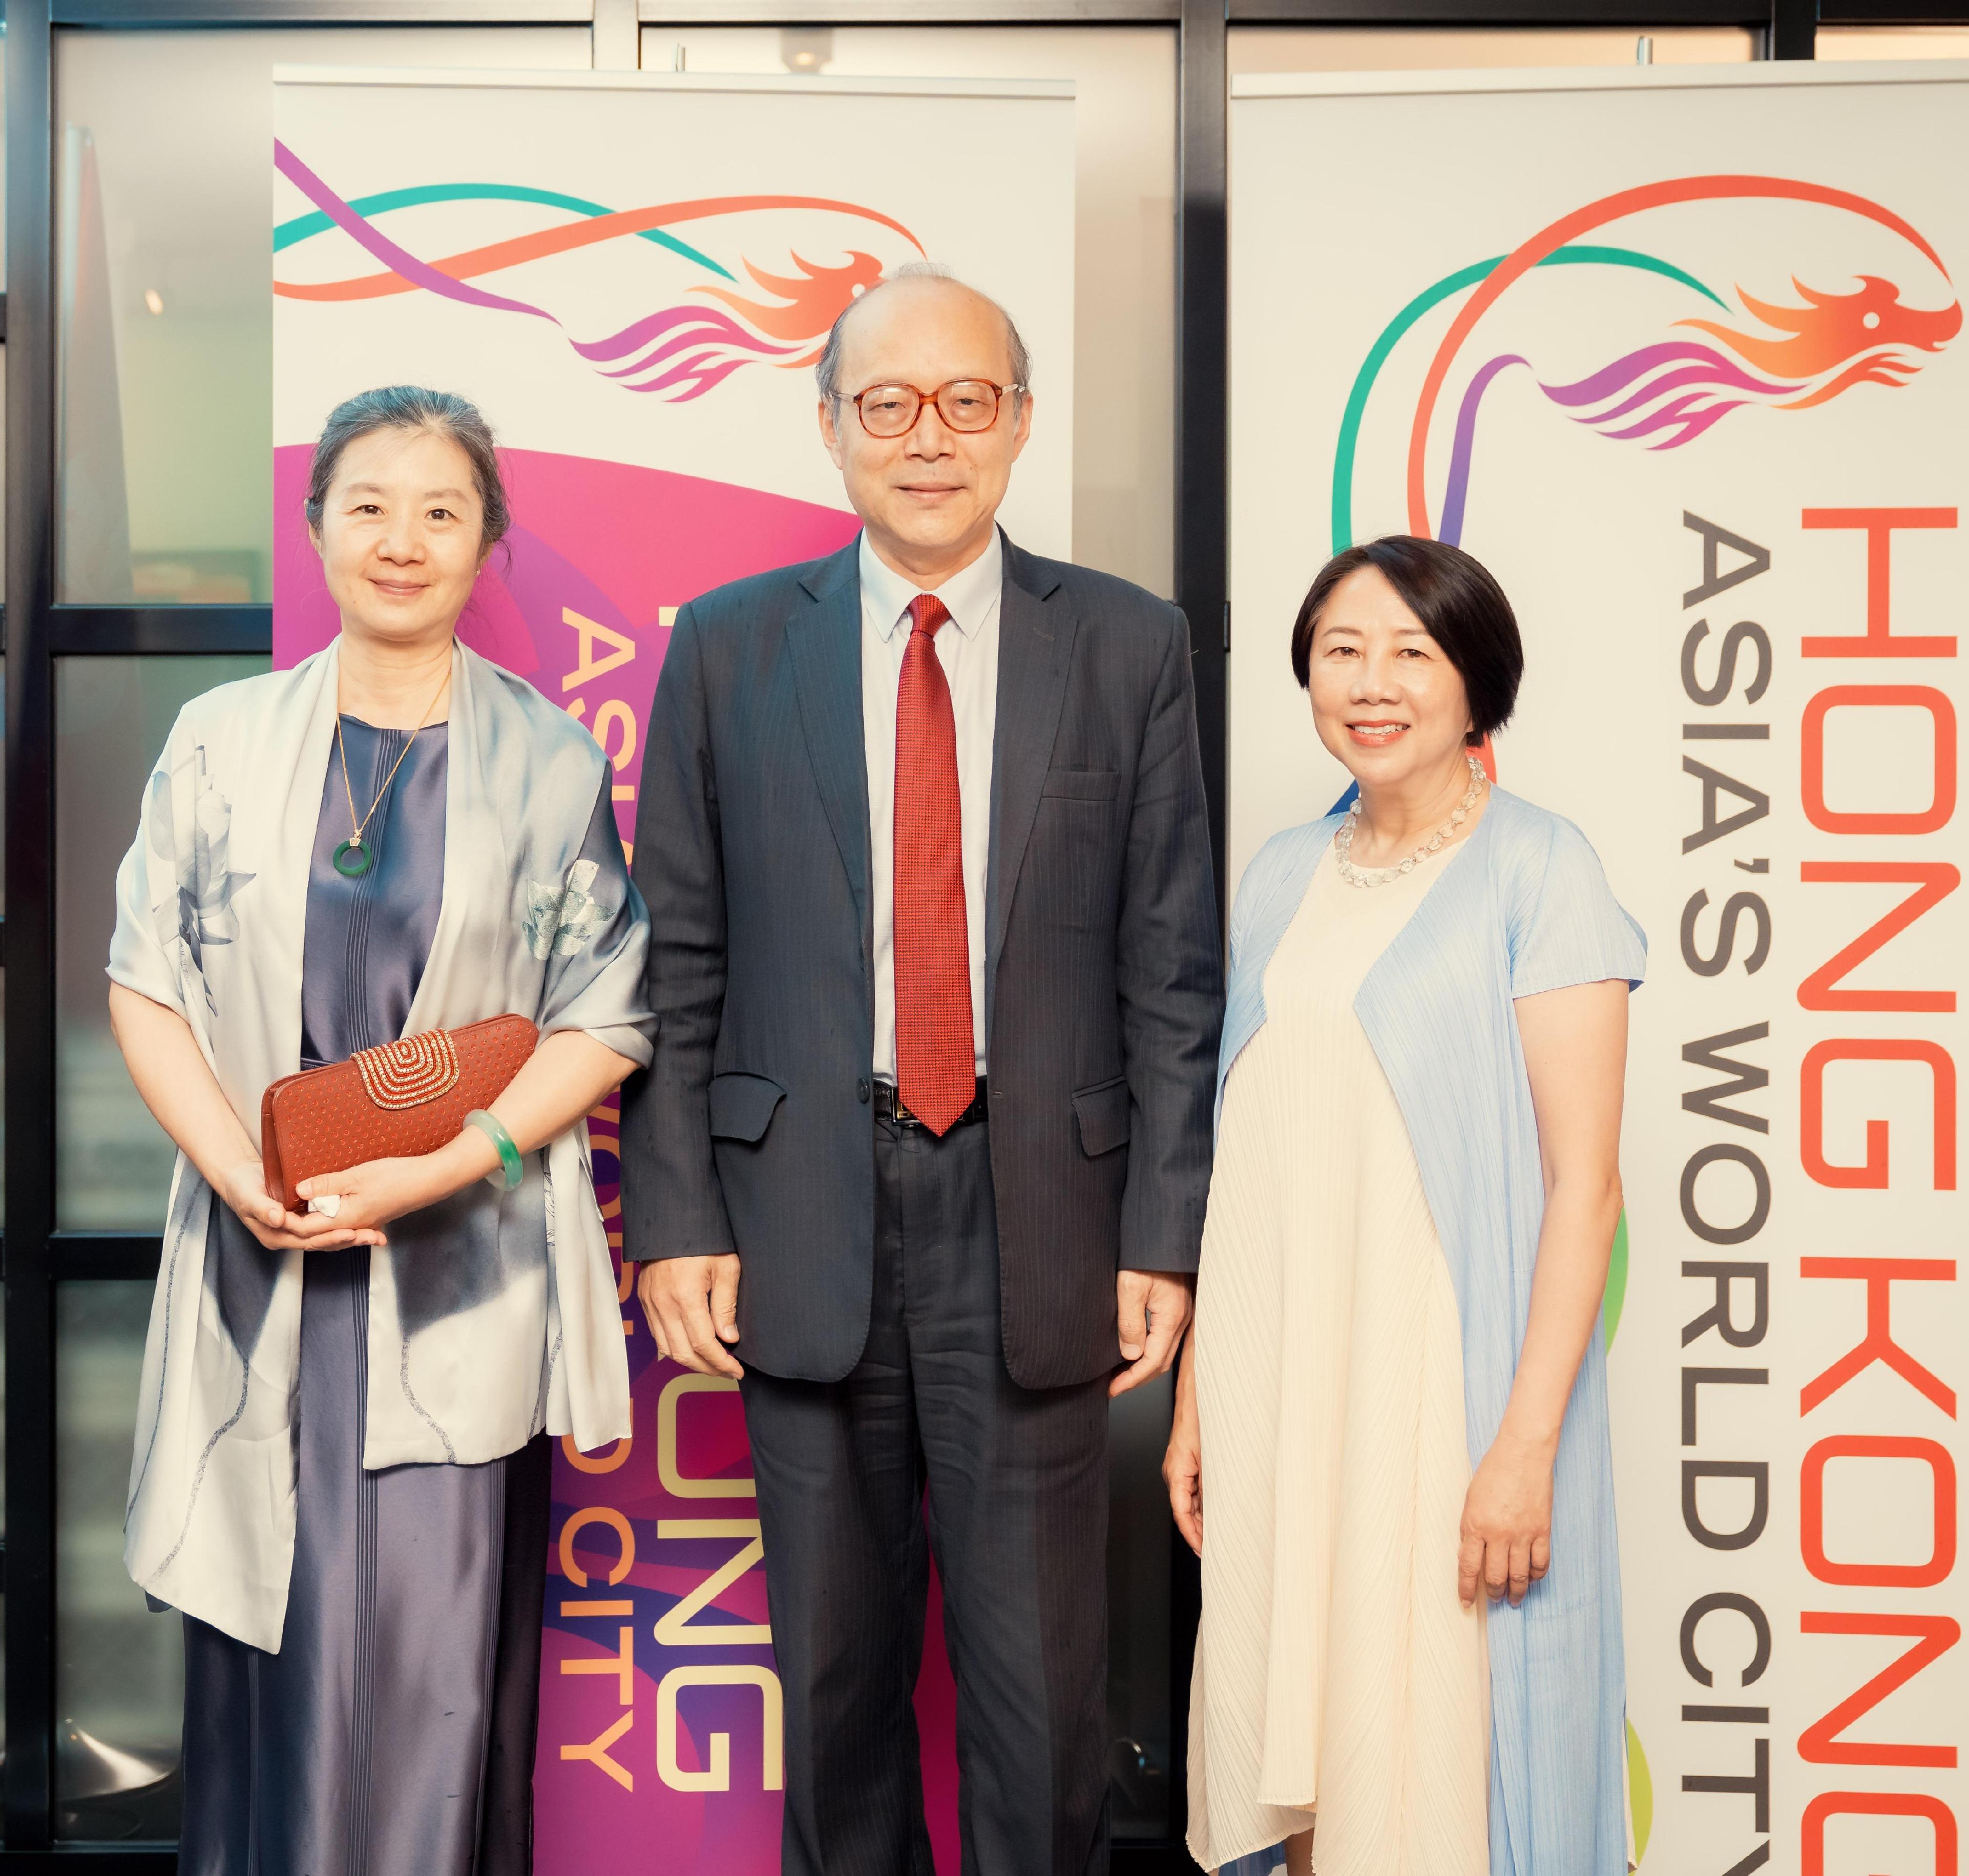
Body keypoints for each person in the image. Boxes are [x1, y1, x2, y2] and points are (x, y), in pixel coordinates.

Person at [622, 265, 1224, 1875]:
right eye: (886, 403)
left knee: (1044, 1707)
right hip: (800, 1207)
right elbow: (677, 961)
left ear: (1021, 422)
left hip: (1041, 1219)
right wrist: (676, 1218)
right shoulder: (733, 648)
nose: (928, 437)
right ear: (830, 429)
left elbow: (1172, 969)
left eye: (968, 401)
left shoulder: (1125, 643)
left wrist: (1166, 1233)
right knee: (830, 1688)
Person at [109, 386, 652, 1876]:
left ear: (488, 543)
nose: (401, 541)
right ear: (317, 527)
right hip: (258, 1261)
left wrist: (445, 1166)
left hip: (453, 1268)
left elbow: (607, 1015)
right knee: (269, 1662)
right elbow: (143, 984)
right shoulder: (219, 742)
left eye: (440, 511)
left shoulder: (547, 761)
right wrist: (241, 1176)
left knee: (429, 1679)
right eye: (369, 506)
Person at [1168, 537, 1644, 1876]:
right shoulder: (1279, 875)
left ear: (1476, 678)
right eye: (1340, 652)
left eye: (1411, 653)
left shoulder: (1543, 872)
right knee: (1303, 1752)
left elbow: (1584, 1190)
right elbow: (1243, 1155)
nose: (1371, 685)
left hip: (1441, 1409)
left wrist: (1524, 1448)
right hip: (1284, 1394)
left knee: (1429, 1760)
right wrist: (1204, 1395)